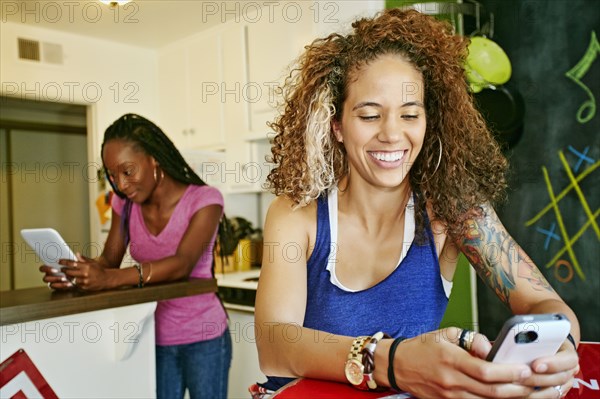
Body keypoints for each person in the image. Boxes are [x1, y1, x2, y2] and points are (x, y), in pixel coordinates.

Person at [253, 8, 580, 399]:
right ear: (337, 125)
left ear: (430, 120)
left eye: (410, 114)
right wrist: (393, 361)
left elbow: (543, 301)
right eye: (370, 115)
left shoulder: (452, 210)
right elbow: (274, 346)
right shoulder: (295, 215)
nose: (392, 134)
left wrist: (557, 351)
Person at [40, 113, 232, 399]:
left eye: (128, 171)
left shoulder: (205, 200)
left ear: (154, 160)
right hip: (151, 336)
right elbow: (109, 262)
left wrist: (108, 279)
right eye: (113, 175)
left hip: (204, 336)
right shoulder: (125, 203)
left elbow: (182, 264)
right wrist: (75, 274)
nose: (121, 184)